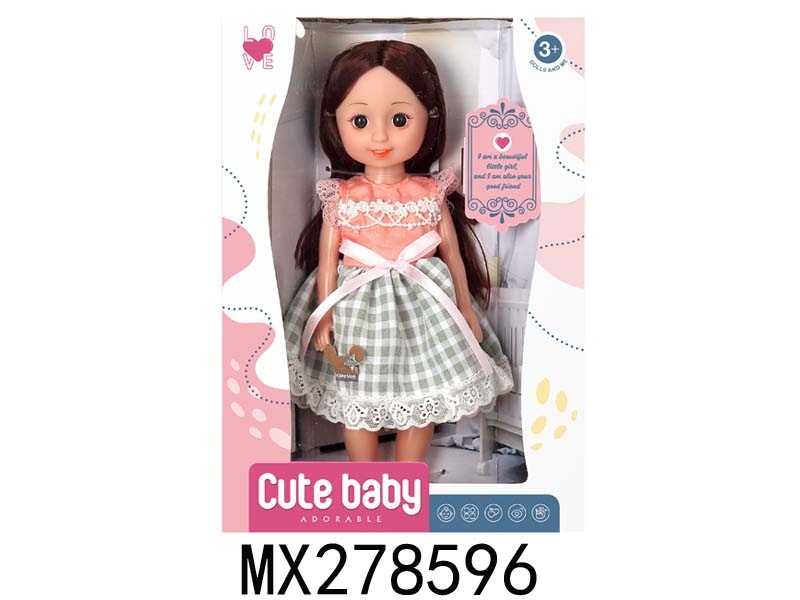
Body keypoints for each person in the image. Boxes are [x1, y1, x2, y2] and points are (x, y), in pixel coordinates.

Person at [284, 40, 513, 462]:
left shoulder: (430, 192)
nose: (379, 136)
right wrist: (325, 316)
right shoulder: (342, 196)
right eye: (360, 120)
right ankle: (367, 481)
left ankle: (407, 477)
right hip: (356, 309)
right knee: (354, 399)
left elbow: (453, 257)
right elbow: (327, 263)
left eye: (400, 119)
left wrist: (465, 308)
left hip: (425, 305)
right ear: (336, 122)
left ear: (430, 116)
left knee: (423, 395)